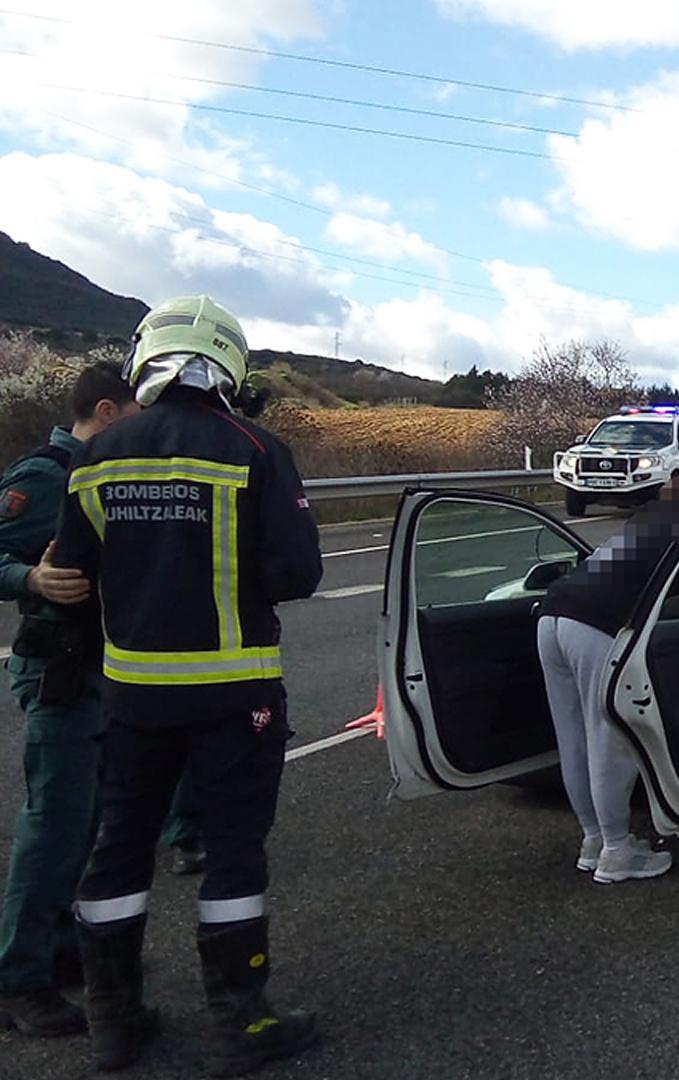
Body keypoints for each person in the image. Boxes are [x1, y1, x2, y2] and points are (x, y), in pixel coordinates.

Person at [48, 297, 324, 1074]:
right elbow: (299, 573)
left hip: (133, 694)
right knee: (233, 852)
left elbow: (69, 571)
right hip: (238, 695)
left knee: (119, 850)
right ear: (228, 364)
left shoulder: (98, 456)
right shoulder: (256, 449)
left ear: (147, 362)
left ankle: (113, 1022)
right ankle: (242, 1023)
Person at [0, 363, 167, 1038]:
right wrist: (30, 576)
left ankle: (63, 951)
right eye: (134, 416)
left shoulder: (113, 476)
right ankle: (17, 980)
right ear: (104, 410)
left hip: (104, 674)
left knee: (92, 824)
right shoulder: (45, 477)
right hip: (60, 677)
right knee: (54, 829)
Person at [535, 473, 679, 884]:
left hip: (553, 614)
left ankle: (593, 842)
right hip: (599, 628)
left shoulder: (643, 524)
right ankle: (617, 851)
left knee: (574, 737)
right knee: (611, 739)